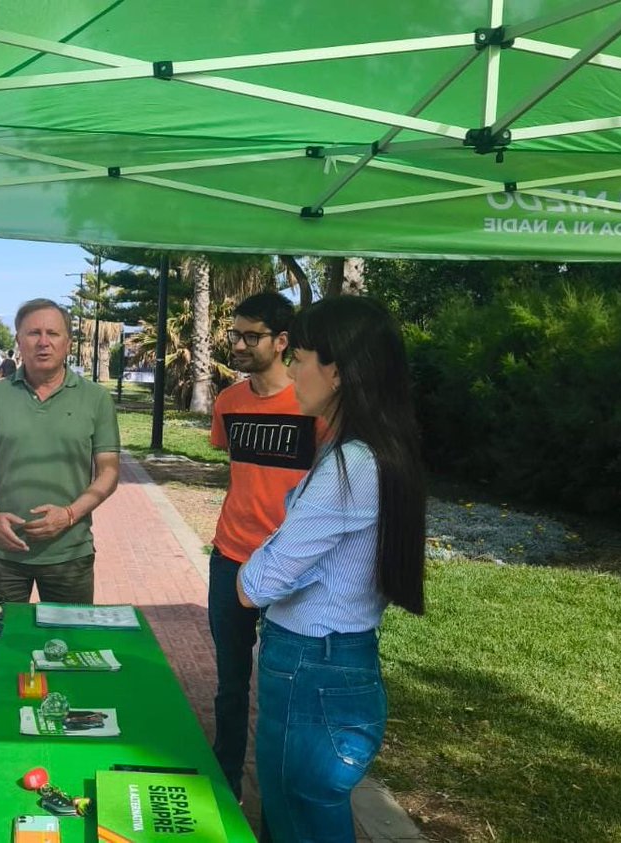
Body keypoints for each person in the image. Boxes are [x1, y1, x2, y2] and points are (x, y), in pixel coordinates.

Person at [236, 296, 426, 843]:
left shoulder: (350, 466)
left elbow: (258, 584)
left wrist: (258, 561)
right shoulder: (368, 453)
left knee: (300, 818)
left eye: (300, 356)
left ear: (337, 372)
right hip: (332, 661)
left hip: (311, 669)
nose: (290, 367)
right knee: (298, 814)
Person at [208, 293, 320, 801]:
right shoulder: (228, 403)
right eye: (234, 335)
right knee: (230, 684)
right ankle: (225, 784)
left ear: (282, 342)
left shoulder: (314, 403)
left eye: (251, 336)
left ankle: (276, 803)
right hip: (230, 557)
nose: (238, 344)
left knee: (282, 692)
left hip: (292, 571)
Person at [0, 298, 120, 603]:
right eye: (33, 333)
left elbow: (109, 472)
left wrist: (70, 515)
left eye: (53, 333)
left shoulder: (96, 399)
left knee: (69, 643)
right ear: (18, 341)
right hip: (1, 553)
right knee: (0, 644)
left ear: (68, 342)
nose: (43, 342)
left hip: (69, 554)